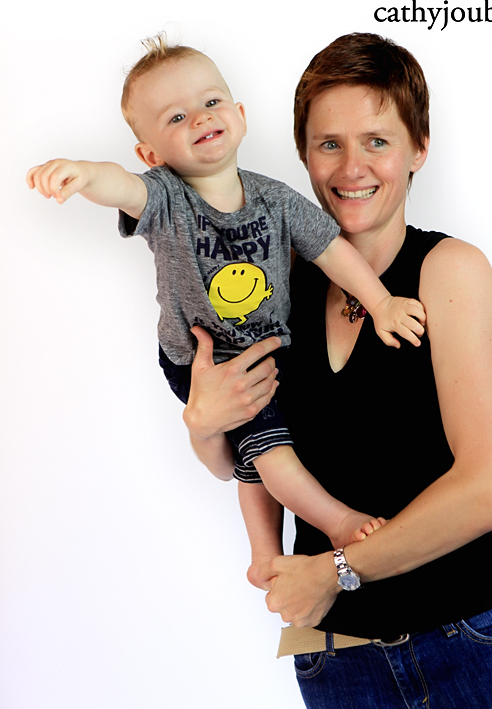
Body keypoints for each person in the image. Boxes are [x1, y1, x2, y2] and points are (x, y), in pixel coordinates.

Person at [182, 33, 492, 707]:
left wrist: (337, 570)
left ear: (418, 148)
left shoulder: (448, 272)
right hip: (336, 660)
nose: (352, 168)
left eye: (377, 141)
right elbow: (242, 458)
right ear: (304, 153)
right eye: (329, 143)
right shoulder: (271, 284)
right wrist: (202, 425)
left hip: (477, 641)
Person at [25, 33, 430, 568]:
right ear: (151, 154)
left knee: (255, 453)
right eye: (176, 117)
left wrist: (381, 304)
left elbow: (332, 250)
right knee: (271, 444)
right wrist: (83, 173)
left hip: (265, 348)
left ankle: (263, 555)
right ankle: (337, 522)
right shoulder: (165, 197)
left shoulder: (276, 199)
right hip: (203, 362)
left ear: (239, 116)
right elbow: (120, 185)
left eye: (211, 102)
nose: (199, 118)